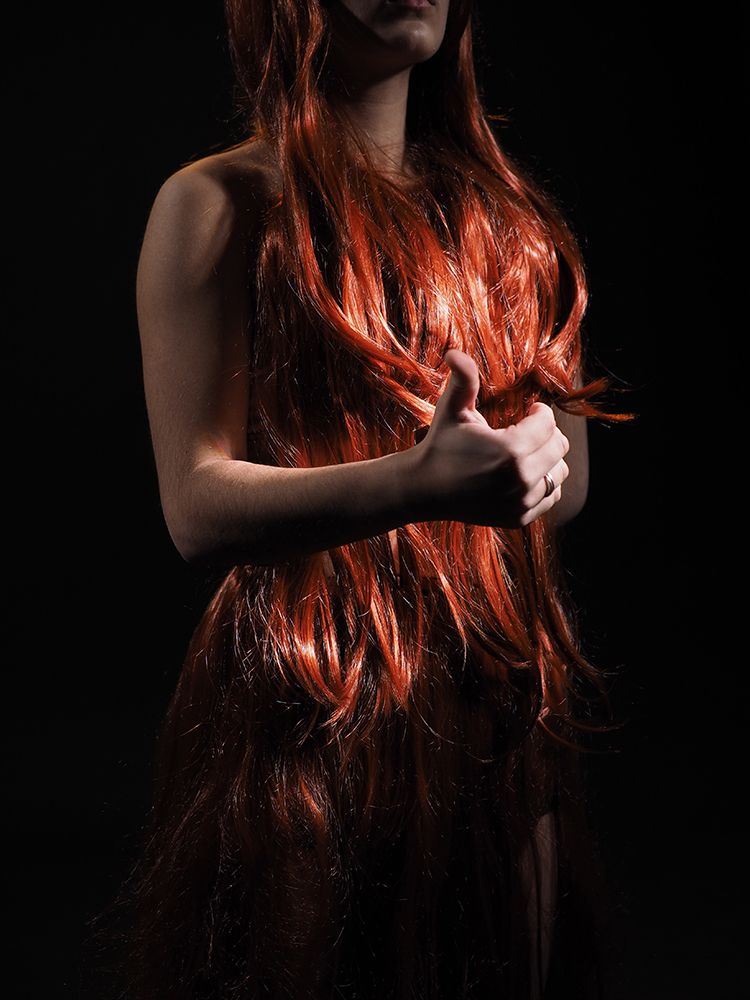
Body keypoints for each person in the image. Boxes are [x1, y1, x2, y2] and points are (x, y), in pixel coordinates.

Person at [130, 1, 611, 996]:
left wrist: (525, 472)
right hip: (315, 700)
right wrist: (418, 483)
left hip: (491, 701)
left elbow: (563, 480)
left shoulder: (506, 225)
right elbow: (195, 502)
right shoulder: (218, 204)